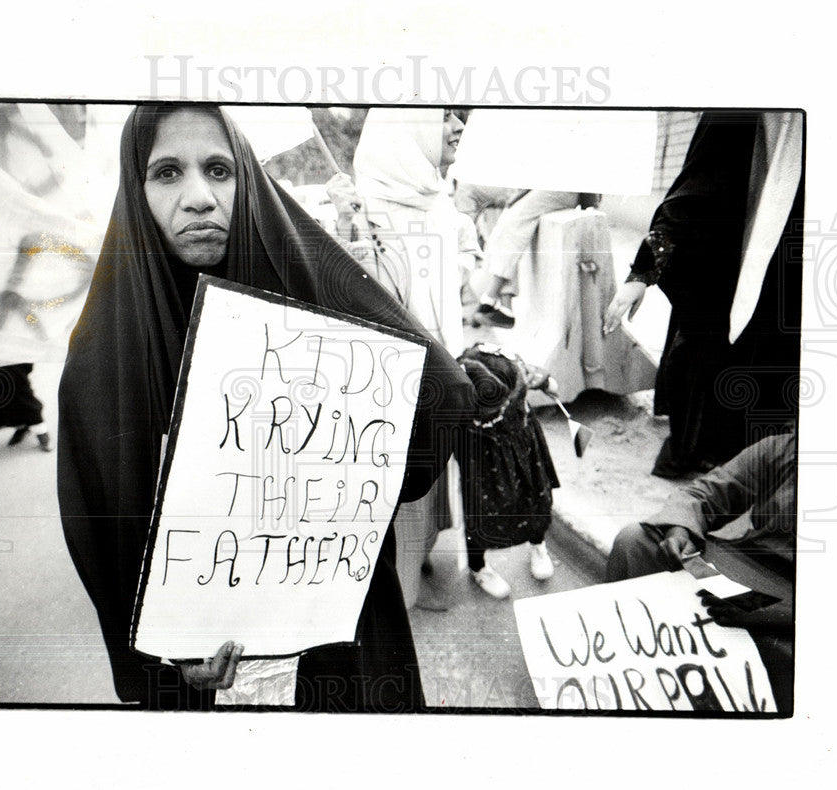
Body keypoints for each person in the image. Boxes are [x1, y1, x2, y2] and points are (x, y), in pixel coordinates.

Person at [57, 105, 474, 711]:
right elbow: (104, 543)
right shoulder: (100, 365)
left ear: (248, 179)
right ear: (135, 188)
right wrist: (162, 647)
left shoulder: (314, 300)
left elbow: (443, 393)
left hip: (336, 644)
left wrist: (360, 493)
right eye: (167, 173)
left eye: (219, 170)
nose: (199, 196)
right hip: (208, 677)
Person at [325, 108, 473, 610]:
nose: (457, 127)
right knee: (401, 496)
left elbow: (456, 282)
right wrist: (350, 229)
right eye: (444, 117)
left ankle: (419, 566)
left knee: (431, 492)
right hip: (400, 388)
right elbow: (374, 309)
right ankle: (399, 600)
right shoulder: (368, 207)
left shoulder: (436, 196)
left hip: (443, 372)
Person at [603, 112, 803, 478]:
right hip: (720, 268)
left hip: (788, 274)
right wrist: (643, 272)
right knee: (701, 360)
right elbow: (692, 193)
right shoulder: (735, 114)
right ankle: (699, 459)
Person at [605, 432, 795, 713]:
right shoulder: (788, 447)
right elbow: (706, 492)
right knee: (635, 542)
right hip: (746, 562)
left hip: (801, 603)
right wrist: (680, 528)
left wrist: (780, 614)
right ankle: (618, 669)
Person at [457, 344, 560, 597]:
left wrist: (548, 384)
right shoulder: (455, 384)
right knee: (480, 510)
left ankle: (538, 544)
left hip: (523, 446)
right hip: (479, 454)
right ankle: (478, 566)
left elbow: (548, 383)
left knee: (536, 495)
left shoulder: (514, 369)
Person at [475, 190, 602, 328]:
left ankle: (491, 296)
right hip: (550, 185)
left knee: (514, 222)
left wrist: (590, 203)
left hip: (564, 187)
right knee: (506, 222)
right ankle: (505, 307)